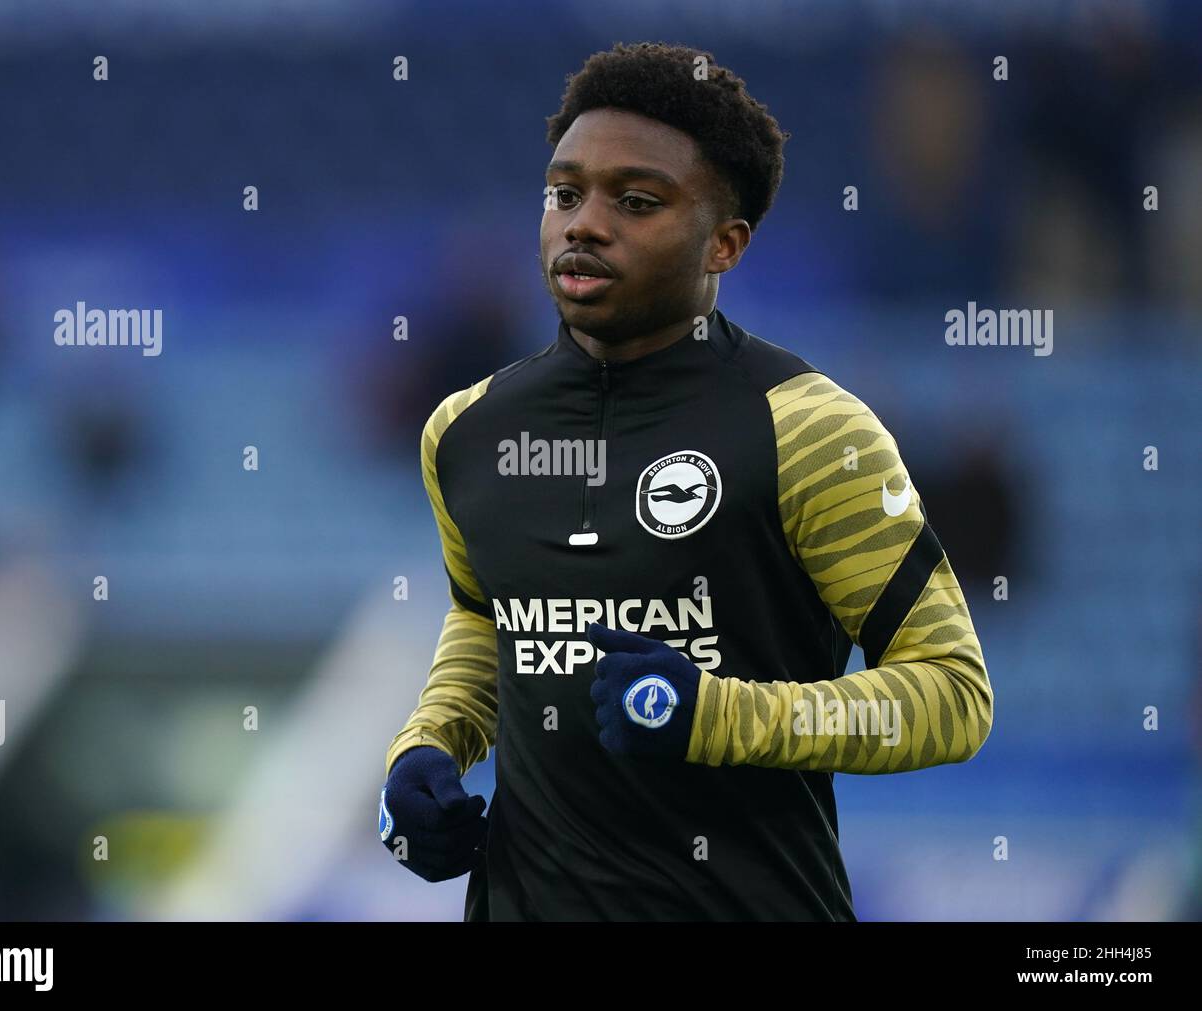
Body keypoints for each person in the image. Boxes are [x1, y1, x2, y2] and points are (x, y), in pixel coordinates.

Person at [378, 41, 992, 921]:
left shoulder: (811, 429)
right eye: (564, 193)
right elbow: (490, 618)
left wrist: (715, 715)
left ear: (726, 244)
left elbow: (953, 694)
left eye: (636, 201)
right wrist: (426, 746)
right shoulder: (468, 430)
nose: (584, 223)